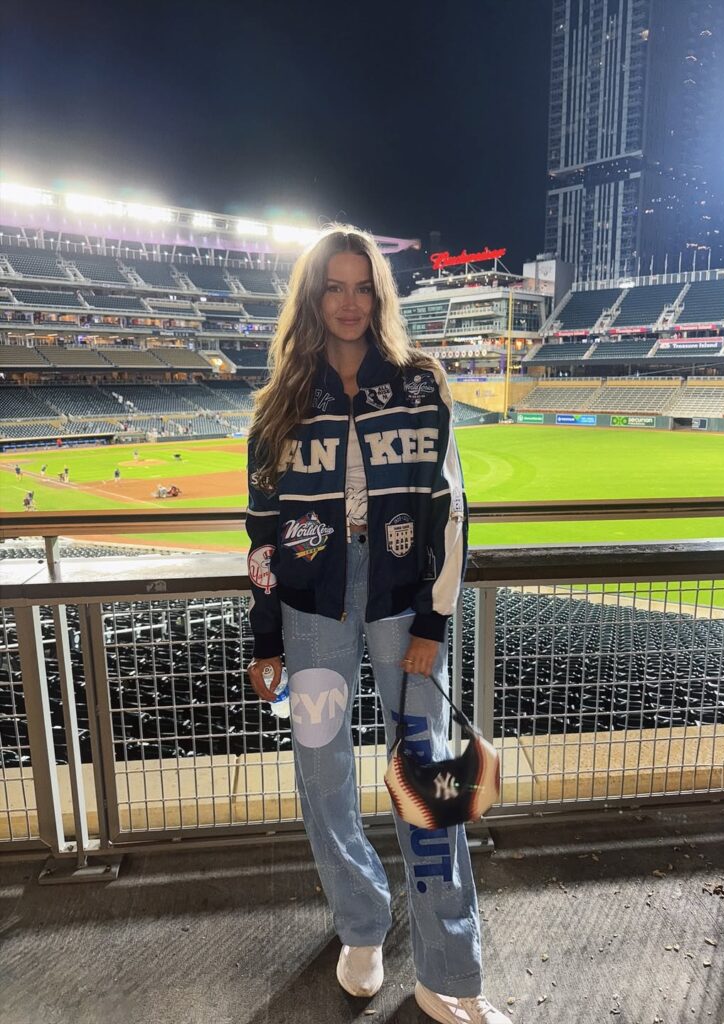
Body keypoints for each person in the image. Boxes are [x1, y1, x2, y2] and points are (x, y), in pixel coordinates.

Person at [245, 226, 506, 1023]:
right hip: (311, 609)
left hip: (403, 602)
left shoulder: (422, 385)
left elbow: (451, 513)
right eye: (335, 287)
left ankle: (449, 973)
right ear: (313, 298)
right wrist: (266, 637)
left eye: (364, 288)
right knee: (323, 780)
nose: (350, 303)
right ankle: (361, 925)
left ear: (380, 297)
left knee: (428, 780)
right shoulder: (281, 404)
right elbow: (262, 534)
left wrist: (433, 616)